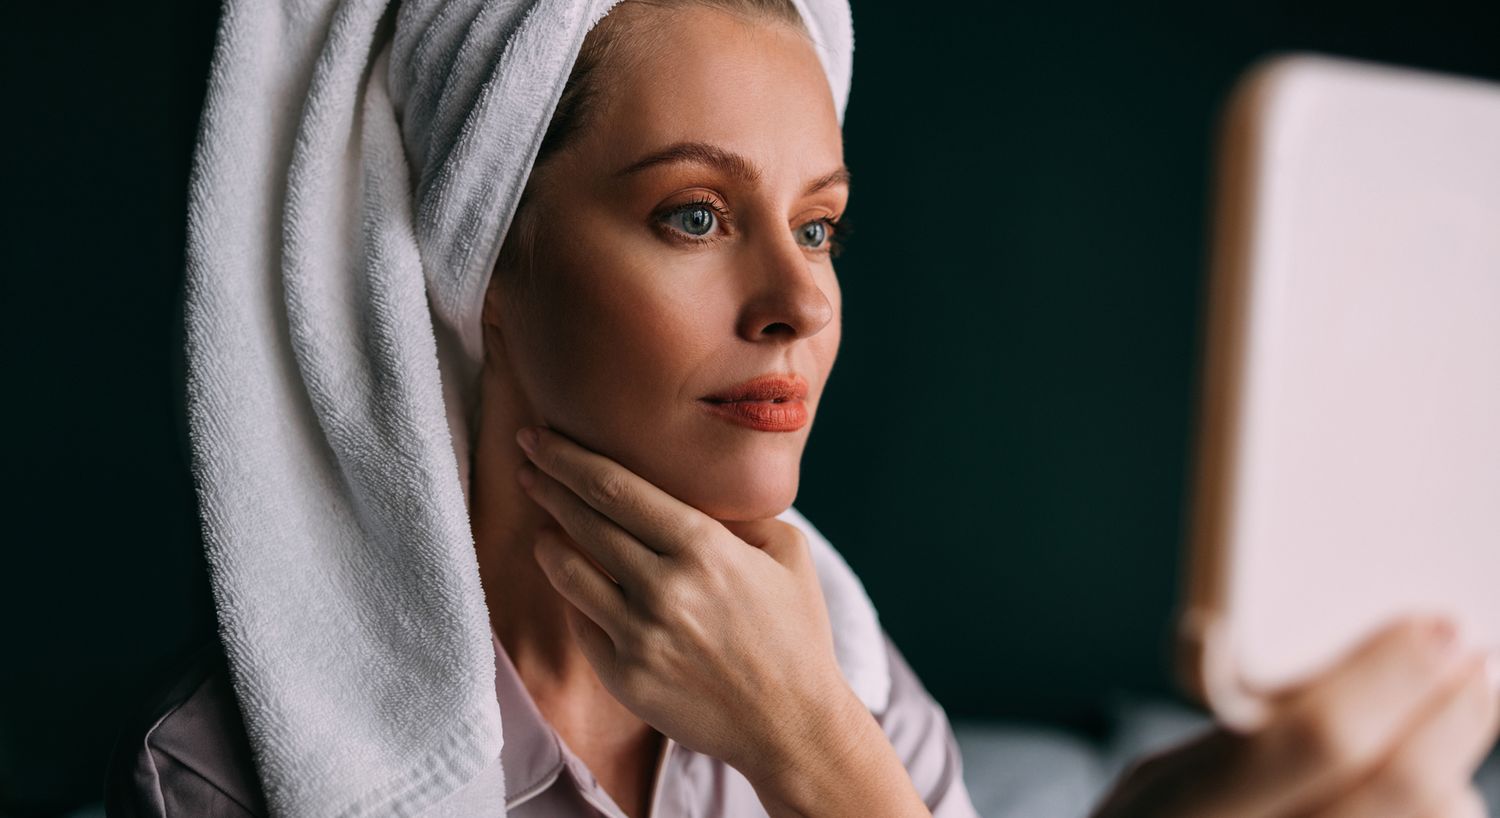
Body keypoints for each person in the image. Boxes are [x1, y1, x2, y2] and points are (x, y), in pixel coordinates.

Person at [107, 0, 1500, 816]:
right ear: (483, 265)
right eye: (696, 212)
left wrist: (822, 728)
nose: (797, 300)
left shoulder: (849, 667)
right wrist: (813, 756)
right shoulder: (234, 776)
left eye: (821, 227)